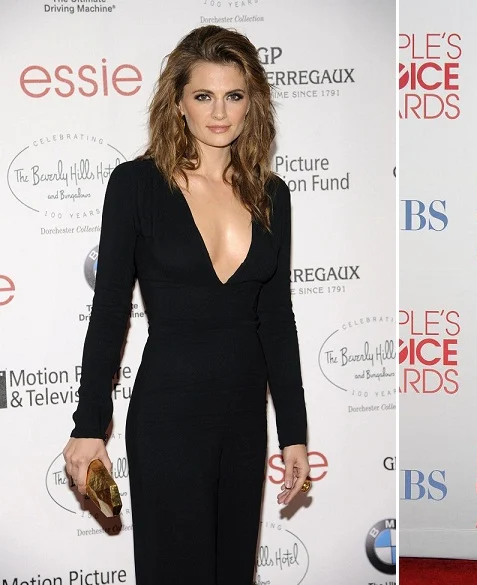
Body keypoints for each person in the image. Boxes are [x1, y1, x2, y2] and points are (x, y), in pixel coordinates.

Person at [62, 25, 311, 583]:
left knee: (232, 571)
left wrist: (294, 432)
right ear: (178, 102)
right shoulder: (136, 185)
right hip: (168, 414)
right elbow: (109, 312)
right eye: (203, 95)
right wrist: (89, 424)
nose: (219, 112)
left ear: (252, 102)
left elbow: (277, 319)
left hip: (243, 417)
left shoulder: (272, 194)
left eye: (233, 95)